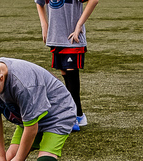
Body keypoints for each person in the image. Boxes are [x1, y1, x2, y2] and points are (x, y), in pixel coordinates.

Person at [36, 0, 99, 131]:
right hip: (55, 37)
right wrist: (44, 25)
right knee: (64, 73)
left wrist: (79, 25)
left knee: (71, 73)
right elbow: (39, 2)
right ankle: (79, 115)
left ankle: (72, 117)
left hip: (73, 38)